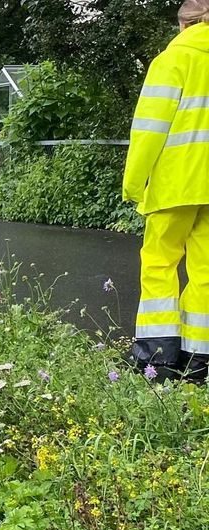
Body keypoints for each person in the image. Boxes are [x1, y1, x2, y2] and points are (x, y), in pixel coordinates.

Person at [125, 0, 209, 381]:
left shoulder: (171, 61)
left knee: (160, 264)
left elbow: (149, 130)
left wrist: (133, 182)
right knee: (205, 270)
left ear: (184, 25)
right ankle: (199, 363)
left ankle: (156, 360)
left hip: (175, 185)